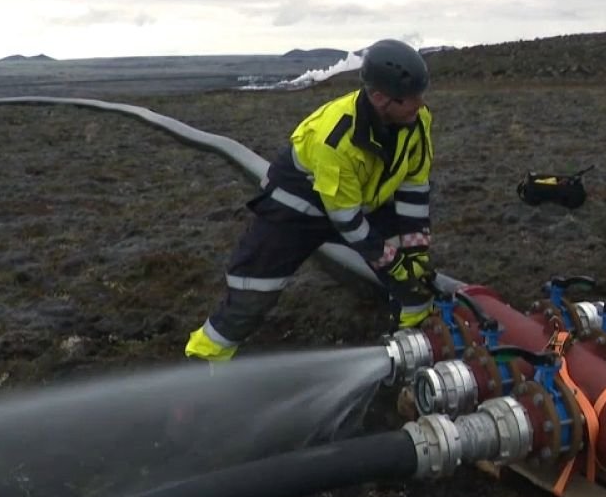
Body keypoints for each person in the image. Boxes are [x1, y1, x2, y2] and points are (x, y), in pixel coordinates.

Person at [184, 38, 436, 362]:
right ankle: (205, 359)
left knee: (416, 287)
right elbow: (346, 219)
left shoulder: (417, 121)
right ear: (379, 97)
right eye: (410, 99)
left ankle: (409, 349)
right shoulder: (336, 137)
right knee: (253, 291)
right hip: (300, 205)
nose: (419, 105)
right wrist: (391, 260)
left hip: (361, 203)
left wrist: (415, 252)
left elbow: (414, 188)